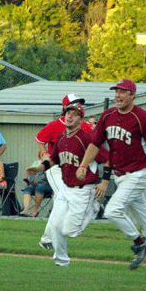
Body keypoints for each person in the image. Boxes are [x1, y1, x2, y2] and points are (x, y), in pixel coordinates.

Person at [77, 79, 146, 276]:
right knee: (145, 221)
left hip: (138, 174)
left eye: (123, 91)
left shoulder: (144, 118)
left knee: (112, 210)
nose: (118, 95)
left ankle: (140, 243)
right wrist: (84, 164)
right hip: (120, 176)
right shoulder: (107, 115)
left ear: (132, 95)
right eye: (116, 91)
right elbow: (95, 144)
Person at [27, 103, 109, 266]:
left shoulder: (87, 138)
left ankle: (94, 209)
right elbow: (53, 160)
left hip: (83, 190)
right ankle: (61, 261)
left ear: (81, 119)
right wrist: (40, 168)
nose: (69, 116)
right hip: (66, 188)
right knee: (56, 226)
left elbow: (106, 159)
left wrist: (104, 183)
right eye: (67, 113)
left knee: (70, 231)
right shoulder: (62, 137)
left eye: (74, 114)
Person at [35, 93, 92, 250]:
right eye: (74, 103)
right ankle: (48, 237)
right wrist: (43, 152)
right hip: (54, 168)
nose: (78, 105)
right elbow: (40, 139)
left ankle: (48, 238)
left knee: (61, 201)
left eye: (79, 103)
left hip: (72, 169)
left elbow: (93, 143)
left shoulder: (84, 125)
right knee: (63, 197)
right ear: (65, 107)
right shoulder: (55, 124)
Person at [20, 152, 53, 217]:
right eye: (42, 154)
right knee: (28, 188)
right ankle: (26, 209)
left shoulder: (51, 164)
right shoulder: (36, 163)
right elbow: (30, 174)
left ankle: (35, 209)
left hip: (48, 185)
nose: (43, 155)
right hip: (35, 183)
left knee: (39, 188)